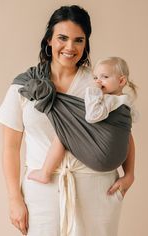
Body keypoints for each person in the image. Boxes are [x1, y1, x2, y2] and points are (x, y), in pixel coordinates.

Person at [0, 5, 136, 236]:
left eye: (79, 40)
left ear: (85, 44)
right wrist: (14, 199)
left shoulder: (97, 83)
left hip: (97, 190)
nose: (70, 47)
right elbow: (10, 147)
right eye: (62, 38)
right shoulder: (26, 86)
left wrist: (129, 175)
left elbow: (122, 130)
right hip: (42, 190)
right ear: (49, 40)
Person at [28, 56, 137, 184]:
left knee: (64, 130)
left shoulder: (110, 100)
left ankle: (45, 173)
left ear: (121, 81)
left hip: (101, 157)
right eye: (95, 78)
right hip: (118, 157)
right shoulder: (125, 101)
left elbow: (92, 116)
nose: (98, 81)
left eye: (105, 77)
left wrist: (94, 92)